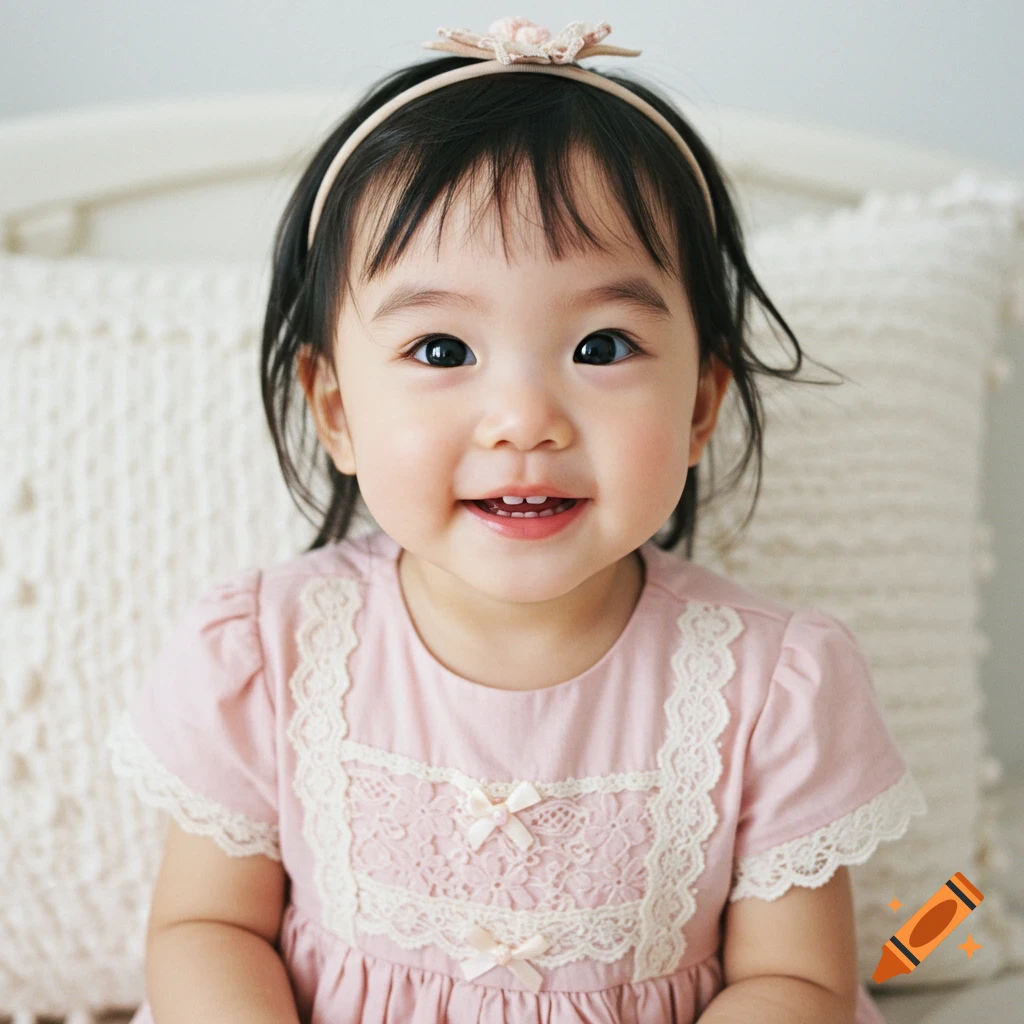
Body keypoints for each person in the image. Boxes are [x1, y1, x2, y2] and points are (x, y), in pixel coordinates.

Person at [107, 18, 927, 1024]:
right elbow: (205, 928)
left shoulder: (772, 686)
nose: (525, 420)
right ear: (334, 411)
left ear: (700, 407)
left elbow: (795, 980)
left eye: (602, 344)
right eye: (444, 351)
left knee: (881, 956)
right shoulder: (264, 654)